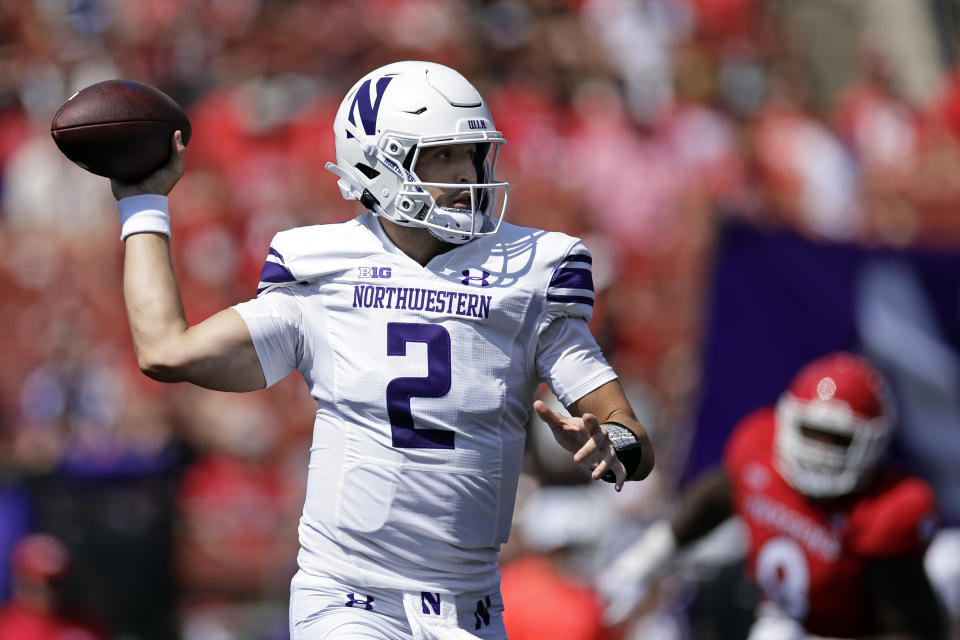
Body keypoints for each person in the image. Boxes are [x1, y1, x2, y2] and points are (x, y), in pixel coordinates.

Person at [109, 60, 654, 639]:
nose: (467, 173)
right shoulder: (321, 269)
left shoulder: (526, 272)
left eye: (472, 153)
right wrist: (143, 203)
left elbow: (630, 435)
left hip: (470, 608)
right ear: (377, 164)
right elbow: (166, 350)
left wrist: (611, 446)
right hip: (348, 597)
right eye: (442, 155)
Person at [602, 351, 945, 639]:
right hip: (753, 607)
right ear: (789, 421)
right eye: (812, 432)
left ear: (873, 441)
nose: (820, 451)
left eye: (837, 439)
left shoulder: (886, 510)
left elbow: (918, 632)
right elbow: (715, 498)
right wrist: (647, 559)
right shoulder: (760, 449)